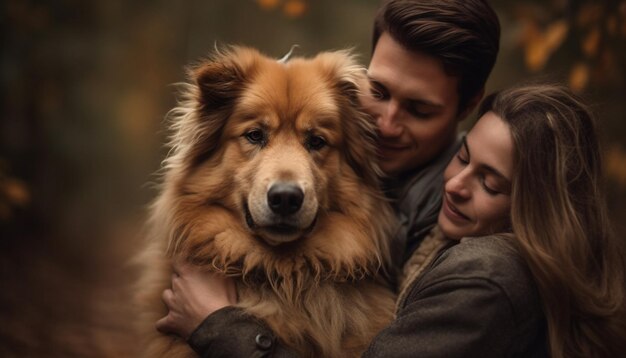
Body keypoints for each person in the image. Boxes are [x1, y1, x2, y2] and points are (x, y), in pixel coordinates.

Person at [159, 83, 626, 356]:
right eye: (462, 158)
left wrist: (219, 323)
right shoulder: (441, 231)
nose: (456, 184)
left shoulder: (487, 282)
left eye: (490, 183)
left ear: (537, 211)